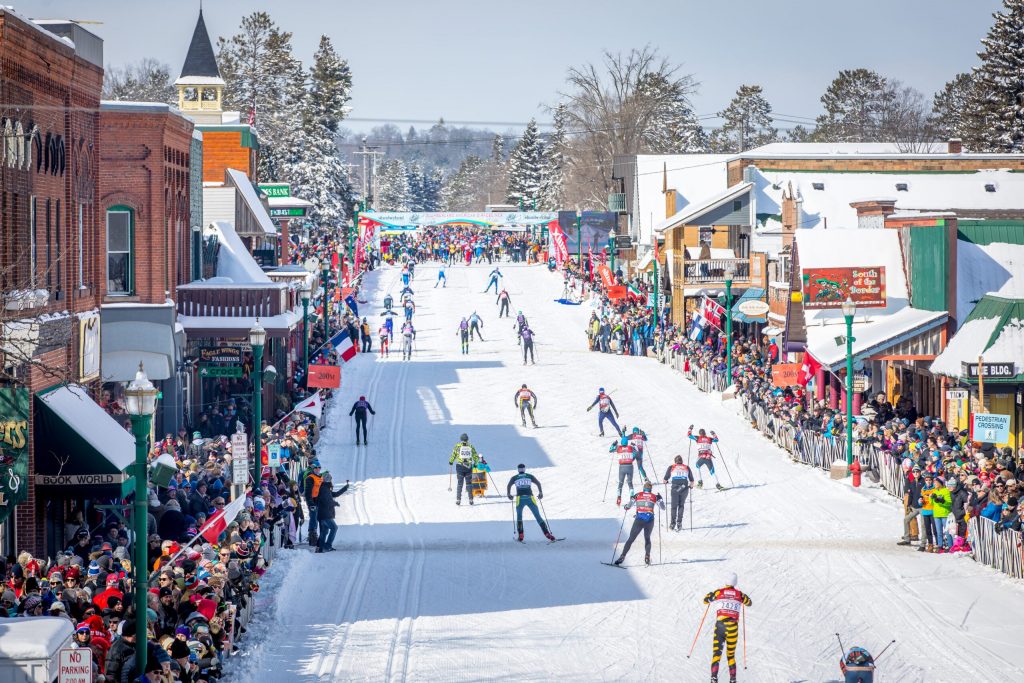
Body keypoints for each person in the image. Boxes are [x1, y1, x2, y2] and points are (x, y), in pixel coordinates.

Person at [703, 572, 752, 683]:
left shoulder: (719, 592)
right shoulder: (740, 594)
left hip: (720, 627)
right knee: (730, 655)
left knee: (717, 654)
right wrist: (741, 598)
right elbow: (749, 603)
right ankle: (733, 680)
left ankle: (713, 678)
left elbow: (705, 600)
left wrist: (711, 596)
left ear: (726, 581)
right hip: (732, 628)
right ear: (736, 582)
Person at [613, 480, 664, 566]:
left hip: (639, 520)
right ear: (651, 489)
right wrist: (660, 499)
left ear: (644, 488)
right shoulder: (655, 496)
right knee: (647, 538)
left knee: (631, 539)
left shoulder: (638, 495)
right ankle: (647, 556)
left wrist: (626, 506)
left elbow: (628, 506)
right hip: (649, 520)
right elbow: (663, 508)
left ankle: (622, 556)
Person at [506, 463, 556, 542]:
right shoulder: (529, 476)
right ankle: (547, 534)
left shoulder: (514, 478)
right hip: (530, 498)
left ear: (518, 470)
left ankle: (521, 536)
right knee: (538, 516)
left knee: (519, 517)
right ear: (524, 469)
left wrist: (509, 494)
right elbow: (538, 483)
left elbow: (509, 485)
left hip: (520, 498)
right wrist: (540, 493)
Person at [315, 471, 349, 553]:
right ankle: (327, 545)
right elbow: (327, 502)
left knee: (324, 531)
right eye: (330, 480)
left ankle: (321, 547)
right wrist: (335, 503)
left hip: (322, 514)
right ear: (328, 480)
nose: (331, 481)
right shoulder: (324, 489)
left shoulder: (325, 488)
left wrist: (345, 487)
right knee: (334, 528)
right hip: (325, 514)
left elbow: (335, 494)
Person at [663, 455, 694, 531]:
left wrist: (666, 481)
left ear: (675, 461)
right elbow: (692, 481)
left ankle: (672, 524)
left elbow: (664, 479)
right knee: (681, 505)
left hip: (675, 489)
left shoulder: (672, 467)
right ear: (682, 461)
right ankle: (679, 523)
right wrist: (691, 486)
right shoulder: (687, 467)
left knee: (674, 506)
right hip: (684, 488)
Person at [448, 433, 480, 505]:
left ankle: (458, 499)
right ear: (467, 439)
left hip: (460, 467)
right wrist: (475, 463)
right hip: (468, 467)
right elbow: (475, 456)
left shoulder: (457, 446)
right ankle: (471, 499)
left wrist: (451, 461)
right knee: (469, 483)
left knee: (460, 483)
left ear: (461, 439)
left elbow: (453, 454)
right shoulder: (471, 446)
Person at [689, 426, 723, 490]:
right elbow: (716, 440)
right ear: (705, 433)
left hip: (701, 457)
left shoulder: (698, 438)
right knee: (712, 471)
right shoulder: (709, 438)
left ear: (700, 434)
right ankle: (718, 485)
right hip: (708, 457)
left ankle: (700, 482)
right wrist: (713, 434)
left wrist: (690, 429)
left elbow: (689, 435)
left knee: (697, 466)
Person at [610, 435, 639, 506]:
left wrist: (613, 444)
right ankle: (632, 498)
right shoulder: (630, 447)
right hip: (630, 466)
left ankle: (619, 498)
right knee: (630, 483)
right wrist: (634, 444)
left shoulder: (618, 448)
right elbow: (637, 450)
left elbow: (610, 450)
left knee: (621, 483)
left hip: (622, 467)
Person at [303, 460, 324, 547]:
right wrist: (311, 503)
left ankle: (319, 537)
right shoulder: (310, 478)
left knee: (319, 518)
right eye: (316, 468)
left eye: (319, 468)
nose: (318, 469)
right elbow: (307, 492)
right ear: (313, 468)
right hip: (312, 500)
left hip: (319, 500)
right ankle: (312, 536)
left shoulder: (320, 477)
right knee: (313, 517)